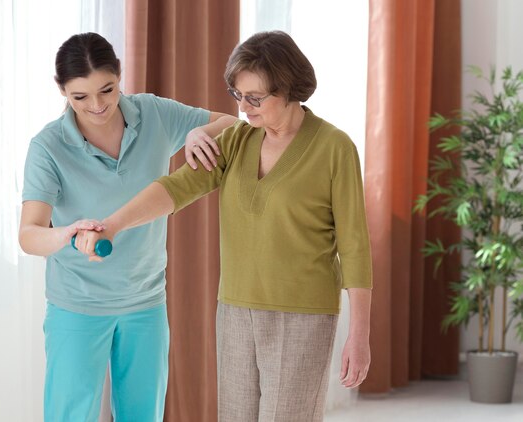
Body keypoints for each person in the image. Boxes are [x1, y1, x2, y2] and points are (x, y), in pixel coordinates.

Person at [75, 30, 373, 421]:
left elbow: (354, 245)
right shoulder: (237, 139)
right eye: (238, 95)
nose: (244, 108)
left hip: (303, 314)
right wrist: (113, 225)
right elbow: (176, 188)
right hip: (234, 310)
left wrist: (360, 334)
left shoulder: (335, 148)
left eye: (255, 98)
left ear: (287, 88)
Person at [18, 32, 237, 422]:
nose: (98, 105)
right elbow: (29, 234)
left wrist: (197, 132)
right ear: (62, 91)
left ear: (120, 75)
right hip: (77, 306)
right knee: (70, 415)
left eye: (107, 89)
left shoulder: (152, 113)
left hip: (145, 301)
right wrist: (65, 234)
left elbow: (230, 125)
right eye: (80, 97)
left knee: (142, 415)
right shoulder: (48, 146)